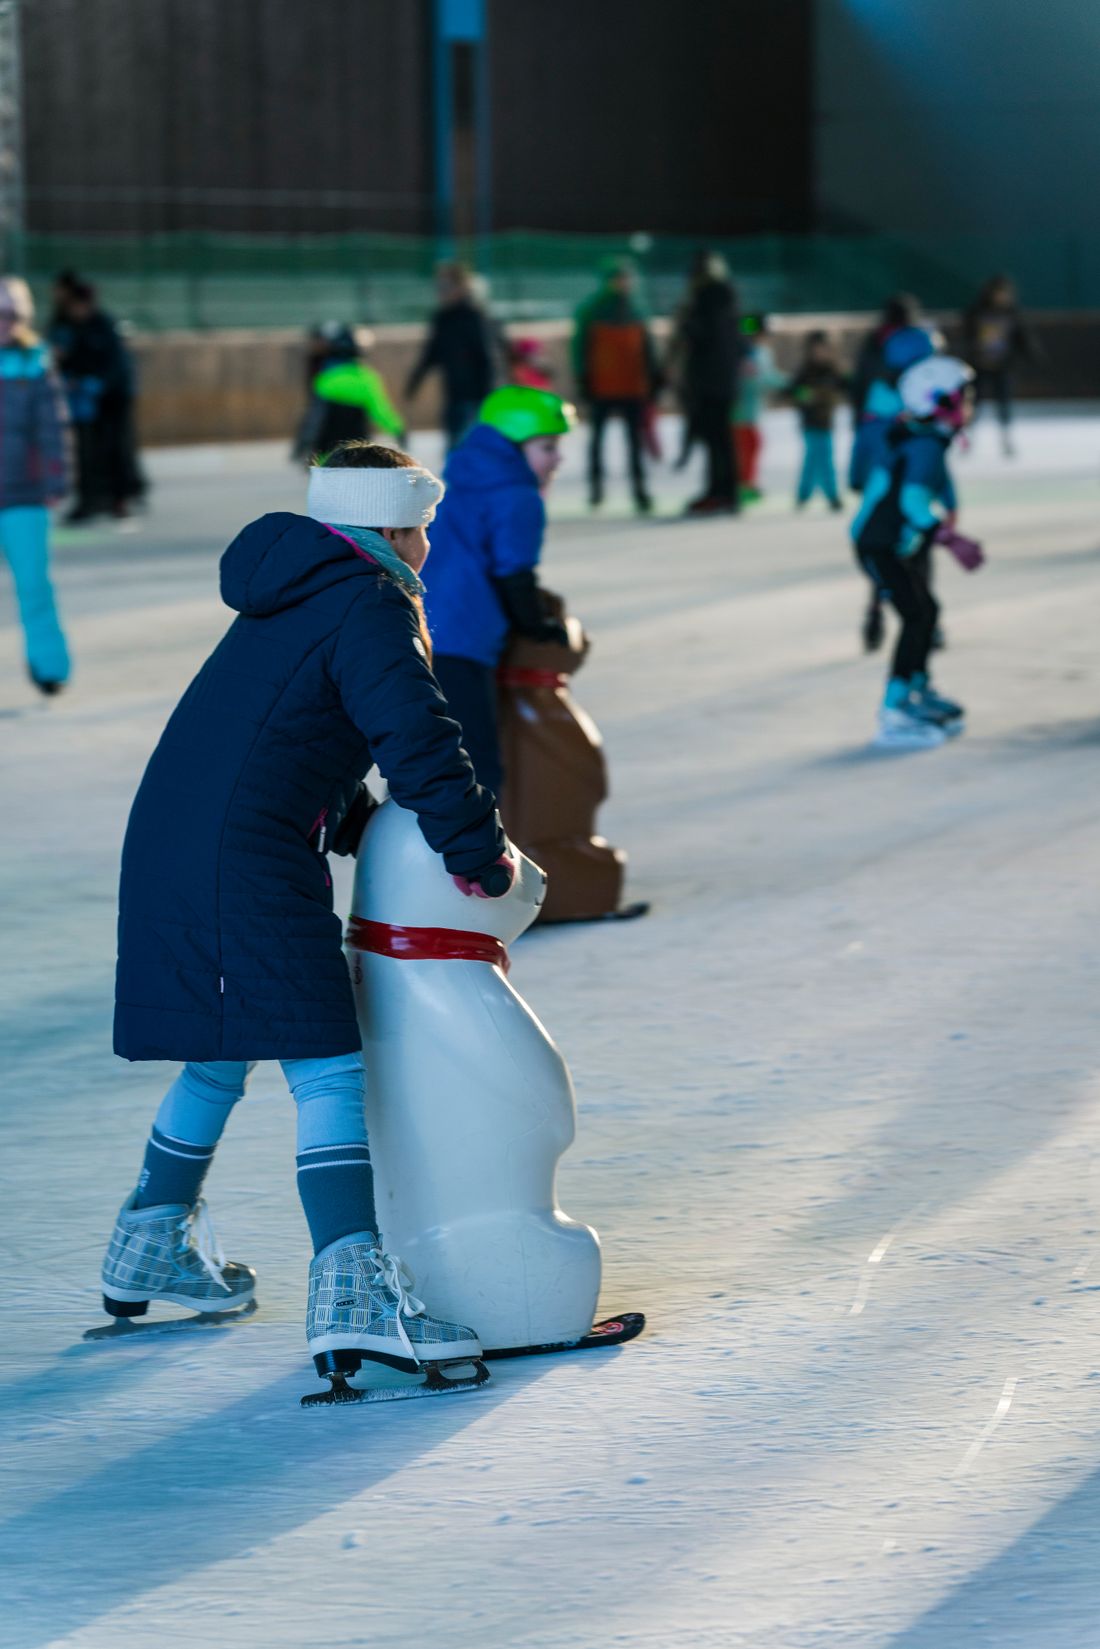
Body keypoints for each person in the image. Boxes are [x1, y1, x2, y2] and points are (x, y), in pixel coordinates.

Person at [100, 442, 515, 1390]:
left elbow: (287, 728)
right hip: (237, 860)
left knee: (222, 1047)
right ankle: (355, 1290)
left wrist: (356, 822)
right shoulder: (370, 599)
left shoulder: (301, 584)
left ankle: (150, 1241)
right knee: (326, 1060)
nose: (427, 548)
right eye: (424, 529)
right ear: (395, 527)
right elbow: (416, 736)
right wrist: (478, 854)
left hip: (181, 842)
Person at [422, 386, 574, 797]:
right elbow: (514, 575)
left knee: (424, 759)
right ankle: (467, 860)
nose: (558, 457)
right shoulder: (518, 496)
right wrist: (538, 626)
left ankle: (406, 852)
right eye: (548, 446)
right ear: (514, 445)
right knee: (475, 768)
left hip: (418, 632)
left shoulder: (460, 479)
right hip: (462, 641)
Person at [851, 357, 979, 751]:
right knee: (916, 615)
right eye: (964, 398)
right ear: (938, 402)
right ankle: (894, 709)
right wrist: (952, 540)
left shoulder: (920, 437)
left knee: (927, 611)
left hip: (889, 544)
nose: (971, 406)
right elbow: (912, 502)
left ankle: (917, 690)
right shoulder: (924, 445)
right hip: (881, 546)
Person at [0, 276, 72, 695]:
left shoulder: (35, 363)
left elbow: (52, 430)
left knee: (34, 587)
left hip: (23, 496)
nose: (3, 323)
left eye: (11, 315)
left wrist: (55, 479)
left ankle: (49, 667)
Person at [49, 274, 143, 522]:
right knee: (87, 454)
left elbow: (116, 365)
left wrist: (98, 384)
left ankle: (119, 499)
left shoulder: (103, 325)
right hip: (88, 403)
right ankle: (91, 500)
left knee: (116, 449)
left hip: (112, 400)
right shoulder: (70, 327)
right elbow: (69, 360)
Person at [572, 257, 659, 513]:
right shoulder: (592, 310)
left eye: (626, 278)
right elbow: (580, 348)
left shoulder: (638, 310)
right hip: (603, 385)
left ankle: (639, 489)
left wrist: (652, 378)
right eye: (618, 279)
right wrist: (583, 377)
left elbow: (647, 349)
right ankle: (596, 489)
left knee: (634, 441)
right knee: (597, 440)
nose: (623, 283)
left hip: (632, 386)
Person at [669, 251, 741, 515]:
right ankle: (724, 491)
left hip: (710, 382)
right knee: (721, 440)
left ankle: (720, 492)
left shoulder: (706, 301)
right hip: (724, 381)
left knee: (716, 440)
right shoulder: (728, 300)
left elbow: (699, 336)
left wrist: (685, 322)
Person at [405, 262, 498, 452]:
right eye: (438, 287)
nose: (441, 292)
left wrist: (488, 396)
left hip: (475, 397)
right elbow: (432, 352)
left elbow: (486, 357)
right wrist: (415, 381)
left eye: (446, 287)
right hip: (453, 395)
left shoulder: (474, 316)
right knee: (454, 450)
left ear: (461, 287)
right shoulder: (442, 318)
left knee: (469, 449)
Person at [291, 322, 404, 464]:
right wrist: (397, 429)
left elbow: (314, 418)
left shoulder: (326, 379)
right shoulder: (367, 378)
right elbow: (380, 409)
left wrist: (302, 445)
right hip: (358, 450)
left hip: (326, 449)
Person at [963, 275, 1034, 457]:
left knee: (1004, 404)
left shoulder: (1012, 313)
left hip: (1002, 366)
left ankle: (1006, 440)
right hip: (979, 365)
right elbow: (967, 336)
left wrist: (1033, 356)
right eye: (999, 293)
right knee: (974, 404)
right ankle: (968, 440)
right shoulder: (977, 312)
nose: (1002, 297)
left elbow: (1022, 338)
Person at [788, 331, 848, 511]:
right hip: (810, 423)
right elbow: (792, 391)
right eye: (817, 349)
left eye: (824, 349)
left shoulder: (833, 370)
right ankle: (804, 495)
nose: (820, 353)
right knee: (812, 459)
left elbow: (845, 386)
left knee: (826, 459)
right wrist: (803, 396)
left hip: (826, 422)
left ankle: (831, 495)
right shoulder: (805, 371)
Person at [732, 313, 786, 502]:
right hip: (741, 411)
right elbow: (763, 379)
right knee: (748, 445)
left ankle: (747, 482)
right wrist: (787, 384)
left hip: (748, 410)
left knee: (751, 445)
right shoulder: (749, 354)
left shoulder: (754, 352)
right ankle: (744, 484)